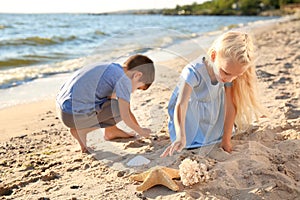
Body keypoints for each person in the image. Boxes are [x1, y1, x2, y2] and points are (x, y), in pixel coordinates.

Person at [161, 31, 264, 157]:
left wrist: (226, 140)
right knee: (187, 140)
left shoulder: (227, 76)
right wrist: (180, 135)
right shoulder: (193, 72)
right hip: (189, 113)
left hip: (212, 109)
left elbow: (230, 106)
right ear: (214, 56)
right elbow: (181, 105)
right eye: (226, 72)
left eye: (236, 75)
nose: (229, 79)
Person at [56, 54, 155, 153]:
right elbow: (126, 113)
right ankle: (81, 131)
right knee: (118, 108)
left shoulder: (112, 68)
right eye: (138, 87)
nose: (133, 91)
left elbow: (109, 97)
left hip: (62, 109)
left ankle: (111, 131)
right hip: (72, 115)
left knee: (110, 99)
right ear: (137, 75)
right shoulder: (123, 80)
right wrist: (141, 131)